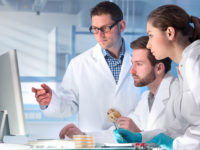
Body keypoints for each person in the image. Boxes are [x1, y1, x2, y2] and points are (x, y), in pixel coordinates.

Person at [32, 1, 140, 138]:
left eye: (106, 28)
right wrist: (50, 101)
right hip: (93, 142)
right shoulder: (79, 64)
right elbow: (69, 104)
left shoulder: (142, 59)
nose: (99, 35)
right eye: (95, 29)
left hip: (135, 141)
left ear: (122, 26)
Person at [114, 4, 200, 150]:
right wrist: (142, 137)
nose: (148, 44)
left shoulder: (195, 61)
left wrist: (175, 145)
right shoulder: (186, 66)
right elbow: (183, 125)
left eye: (151, 35)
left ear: (170, 33)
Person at [117, 36, 181, 133]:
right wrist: (88, 136)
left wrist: (139, 134)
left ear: (159, 68)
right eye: (132, 63)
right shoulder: (146, 97)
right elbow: (127, 127)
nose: (131, 71)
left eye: (139, 64)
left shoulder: (179, 93)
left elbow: (184, 140)